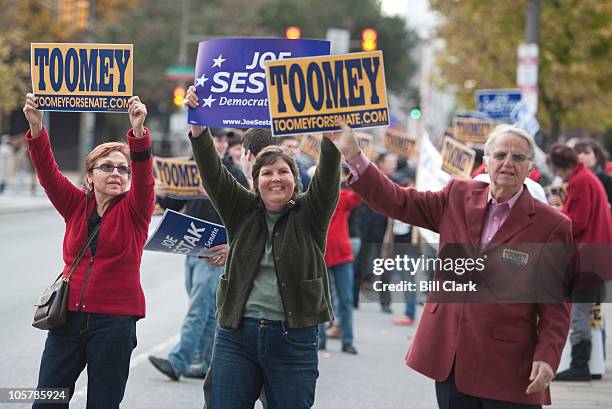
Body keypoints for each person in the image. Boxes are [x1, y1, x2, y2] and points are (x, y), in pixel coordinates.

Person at [328, 123, 573, 408]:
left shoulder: (552, 225)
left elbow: (556, 303)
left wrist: (547, 355)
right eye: (501, 155)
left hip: (509, 367)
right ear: (486, 161)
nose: (508, 163)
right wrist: (354, 153)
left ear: (530, 167)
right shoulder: (458, 195)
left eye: (518, 158)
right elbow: (398, 201)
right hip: (452, 358)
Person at [185, 85, 340, 408]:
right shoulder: (241, 208)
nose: (275, 178)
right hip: (236, 338)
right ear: (255, 181)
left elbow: (327, 177)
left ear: (295, 180)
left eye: (283, 171)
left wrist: (331, 138)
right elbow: (213, 173)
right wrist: (199, 128)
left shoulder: (310, 214)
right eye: (266, 172)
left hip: (293, 338)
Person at [23, 93, 154, 409]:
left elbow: (144, 178)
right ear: (89, 176)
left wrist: (138, 134)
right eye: (106, 166)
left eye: (122, 169)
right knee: (46, 401)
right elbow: (48, 174)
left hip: (115, 325)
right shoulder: (75, 205)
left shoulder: (136, 209)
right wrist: (37, 128)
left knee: (103, 404)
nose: (116, 173)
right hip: (66, 320)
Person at [148, 128, 244, 381]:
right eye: (217, 138)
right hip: (191, 246)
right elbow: (175, 205)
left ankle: (178, 361)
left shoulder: (233, 172)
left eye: (225, 140)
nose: (222, 143)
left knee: (198, 308)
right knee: (205, 307)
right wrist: (161, 194)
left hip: (215, 249)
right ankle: (207, 362)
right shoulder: (190, 168)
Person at [547, 144, 612, 382]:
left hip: (588, 257)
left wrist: (555, 219)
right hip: (596, 254)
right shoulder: (586, 177)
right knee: (583, 310)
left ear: (560, 166)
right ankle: (581, 364)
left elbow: (578, 221)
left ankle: (579, 365)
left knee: (579, 312)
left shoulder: (581, 181)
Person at [318, 165, 361, 354]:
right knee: (321, 300)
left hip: (342, 255)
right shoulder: (315, 200)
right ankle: (320, 339)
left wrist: (355, 173)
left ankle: (347, 341)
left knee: (345, 299)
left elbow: (360, 195)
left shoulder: (342, 197)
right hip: (321, 255)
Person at [573, 139, 612, 208]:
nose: (581, 156)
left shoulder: (605, 179)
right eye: (578, 153)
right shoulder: (571, 178)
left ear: (596, 156)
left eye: (586, 153)